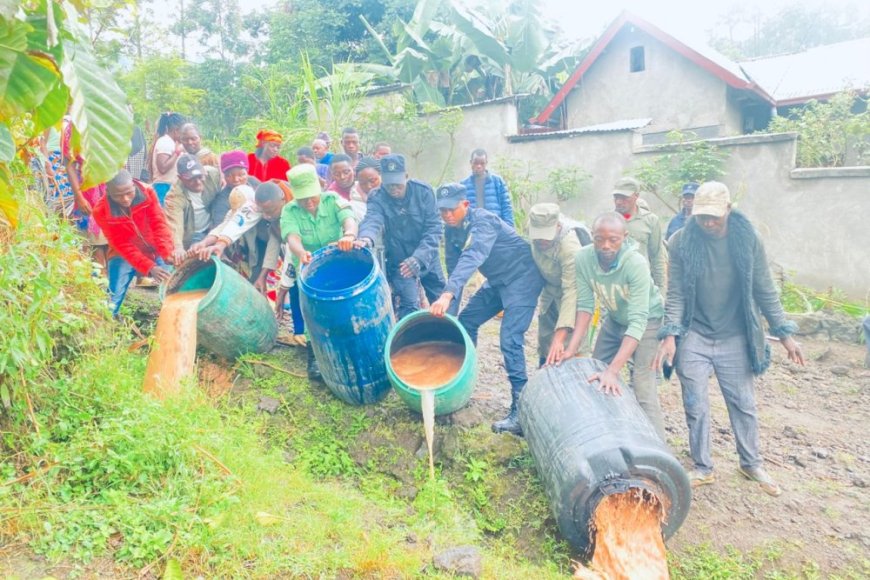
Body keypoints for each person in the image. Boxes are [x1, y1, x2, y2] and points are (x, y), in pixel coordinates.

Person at [654, 181, 805, 497]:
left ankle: (750, 463)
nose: (707, 223)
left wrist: (784, 334)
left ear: (727, 210)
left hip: (735, 334)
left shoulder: (746, 238)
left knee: (743, 403)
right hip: (695, 331)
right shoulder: (682, 241)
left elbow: (764, 287)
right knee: (694, 402)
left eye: (714, 217)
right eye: (701, 217)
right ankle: (702, 466)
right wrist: (670, 334)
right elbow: (677, 293)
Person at [429, 183, 544, 435]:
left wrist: (446, 294)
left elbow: (473, 257)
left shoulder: (484, 221)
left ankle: (521, 411)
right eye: (442, 211)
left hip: (523, 277)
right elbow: (453, 268)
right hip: (498, 281)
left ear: (465, 205)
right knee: (466, 321)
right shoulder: (451, 231)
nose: (447, 215)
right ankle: (462, 380)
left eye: (451, 209)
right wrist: (448, 313)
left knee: (509, 338)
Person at [559, 212, 668, 442]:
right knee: (594, 372)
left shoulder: (635, 263)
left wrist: (613, 370)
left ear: (624, 237)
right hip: (616, 319)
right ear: (592, 236)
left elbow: (638, 320)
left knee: (642, 385)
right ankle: (610, 436)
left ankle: (658, 448)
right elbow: (586, 306)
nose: (605, 245)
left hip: (648, 322)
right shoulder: (583, 259)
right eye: (599, 239)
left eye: (613, 240)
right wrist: (572, 347)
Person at [281, 164, 358, 380]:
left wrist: (349, 235)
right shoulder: (290, 211)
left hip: (337, 264)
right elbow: (292, 237)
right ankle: (314, 355)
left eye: (312, 196)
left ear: (319, 188)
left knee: (342, 306)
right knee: (312, 312)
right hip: (308, 269)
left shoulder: (333, 200)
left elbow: (348, 219)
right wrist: (301, 252)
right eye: (303, 198)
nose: (309, 202)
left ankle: (347, 348)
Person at [357, 154, 446, 319]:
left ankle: (451, 338)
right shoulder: (377, 196)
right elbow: (372, 220)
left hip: (426, 256)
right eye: (389, 184)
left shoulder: (423, 192)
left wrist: (419, 258)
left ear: (406, 176)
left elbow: (434, 228)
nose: (394, 189)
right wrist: (365, 238)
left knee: (442, 300)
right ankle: (408, 341)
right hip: (400, 261)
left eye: (397, 184)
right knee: (409, 305)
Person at [92, 170, 176, 316]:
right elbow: (121, 244)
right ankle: (108, 326)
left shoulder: (147, 192)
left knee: (173, 288)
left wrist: (167, 253)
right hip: (124, 254)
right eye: (118, 195)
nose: (125, 199)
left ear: (133, 186)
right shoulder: (101, 211)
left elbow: (159, 225)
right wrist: (149, 267)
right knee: (112, 299)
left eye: (128, 193)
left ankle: (172, 321)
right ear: (109, 193)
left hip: (156, 247)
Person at [528, 203, 585, 368]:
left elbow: (572, 291)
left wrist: (560, 336)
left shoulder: (570, 248)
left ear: (558, 227)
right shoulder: (533, 227)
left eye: (546, 236)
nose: (541, 240)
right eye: (537, 235)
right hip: (550, 291)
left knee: (571, 345)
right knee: (546, 340)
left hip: (574, 293)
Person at [612, 177, 667, 290]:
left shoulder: (650, 220)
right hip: (613, 286)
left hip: (640, 284)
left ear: (636, 196)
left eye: (624, 197)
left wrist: (661, 290)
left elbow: (656, 257)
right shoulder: (607, 220)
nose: (618, 201)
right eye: (616, 197)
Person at [163, 154, 222, 255]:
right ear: (180, 178)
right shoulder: (174, 196)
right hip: (193, 234)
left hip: (214, 226)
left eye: (200, 176)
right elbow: (175, 223)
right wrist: (178, 247)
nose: (198, 182)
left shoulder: (213, 174)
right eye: (191, 179)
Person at [460, 148, 514, 227]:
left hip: (494, 228)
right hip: (473, 229)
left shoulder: (498, 182)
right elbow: (461, 211)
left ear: (486, 163)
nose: (479, 166)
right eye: (475, 163)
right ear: (471, 162)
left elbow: (506, 207)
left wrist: (509, 229)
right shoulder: (463, 185)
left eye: (482, 163)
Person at [149, 112, 186, 204]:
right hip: (163, 188)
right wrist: (177, 153)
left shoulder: (170, 142)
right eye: (183, 132)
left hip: (168, 187)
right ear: (176, 130)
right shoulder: (165, 142)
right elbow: (162, 168)